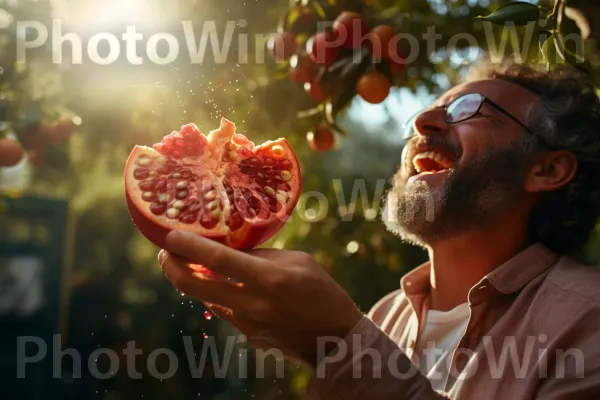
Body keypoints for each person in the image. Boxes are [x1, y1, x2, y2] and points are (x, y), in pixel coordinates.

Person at [157, 61, 600, 399]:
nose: (424, 120)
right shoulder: (384, 317)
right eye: (431, 110)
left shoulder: (587, 322)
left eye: (468, 108)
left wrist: (341, 350)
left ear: (548, 168)